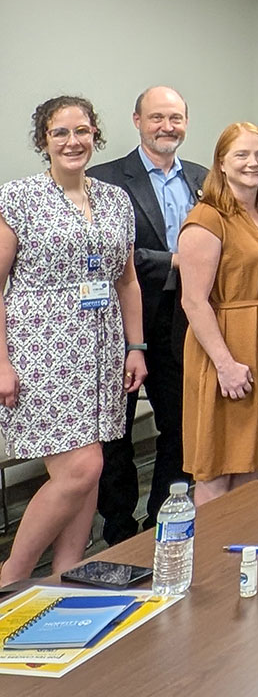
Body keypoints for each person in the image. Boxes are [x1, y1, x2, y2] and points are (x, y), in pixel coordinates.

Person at [0, 97, 147, 584]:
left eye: (82, 131)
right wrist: (1, 364)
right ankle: (13, 576)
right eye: (60, 133)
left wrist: (136, 346)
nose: (72, 141)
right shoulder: (17, 198)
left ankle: (68, 574)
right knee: (81, 468)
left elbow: (127, 280)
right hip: (40, 351)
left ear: (95, 136)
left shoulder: (114, 200)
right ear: (43, 140)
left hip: (102, 350)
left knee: (92, 467)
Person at [88, 85, 205, 544]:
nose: (167, 127)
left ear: (186, 123)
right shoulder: (106, 180)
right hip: (123, 325)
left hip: (186, 323)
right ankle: (118, 527)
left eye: (175, 118)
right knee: (114, 435)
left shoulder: (202, 178)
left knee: (179, 427)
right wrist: (175, 261)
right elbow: (106, 256)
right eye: (157, 118)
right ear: (137, 121)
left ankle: (161, 520)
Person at [177, 122, 258, 505]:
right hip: (226, 348)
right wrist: (225, 364)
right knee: (219, 463)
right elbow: (194, 301)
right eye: (241, 154)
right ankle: (209, 560)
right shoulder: (208, 218)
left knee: (251, 461)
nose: (253, 163)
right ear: (221, 163)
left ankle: (241, 555)